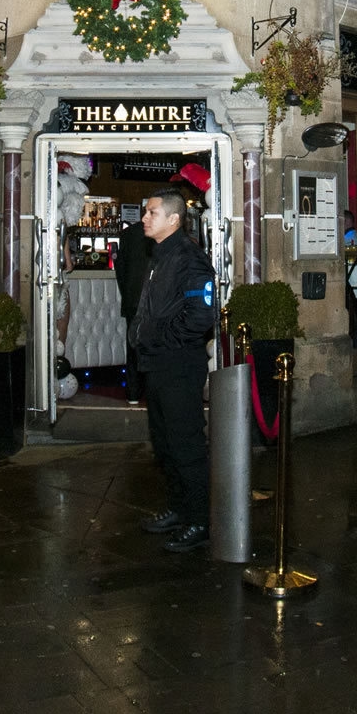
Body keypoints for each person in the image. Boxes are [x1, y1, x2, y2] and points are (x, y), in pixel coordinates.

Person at [130, 186, 219, 552]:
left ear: (174, 219)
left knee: (186, 445)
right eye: (145, 212)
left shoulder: (190, 258)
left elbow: (202, 314)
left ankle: (200, 520)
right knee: (165, 444)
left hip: (178, 365)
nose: (144, 218)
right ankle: (179, 509)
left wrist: (161, 339)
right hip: (157, 364)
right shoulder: (160, 255)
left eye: (152, 212)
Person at [112, 209, 152, 403]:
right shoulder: (165, 231)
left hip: (133, 299)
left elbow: (120, 269)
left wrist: (127, 294)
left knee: (133, 348)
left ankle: (134, 394)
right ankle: (154, 392)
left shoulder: (128, 234)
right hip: (157, 300)